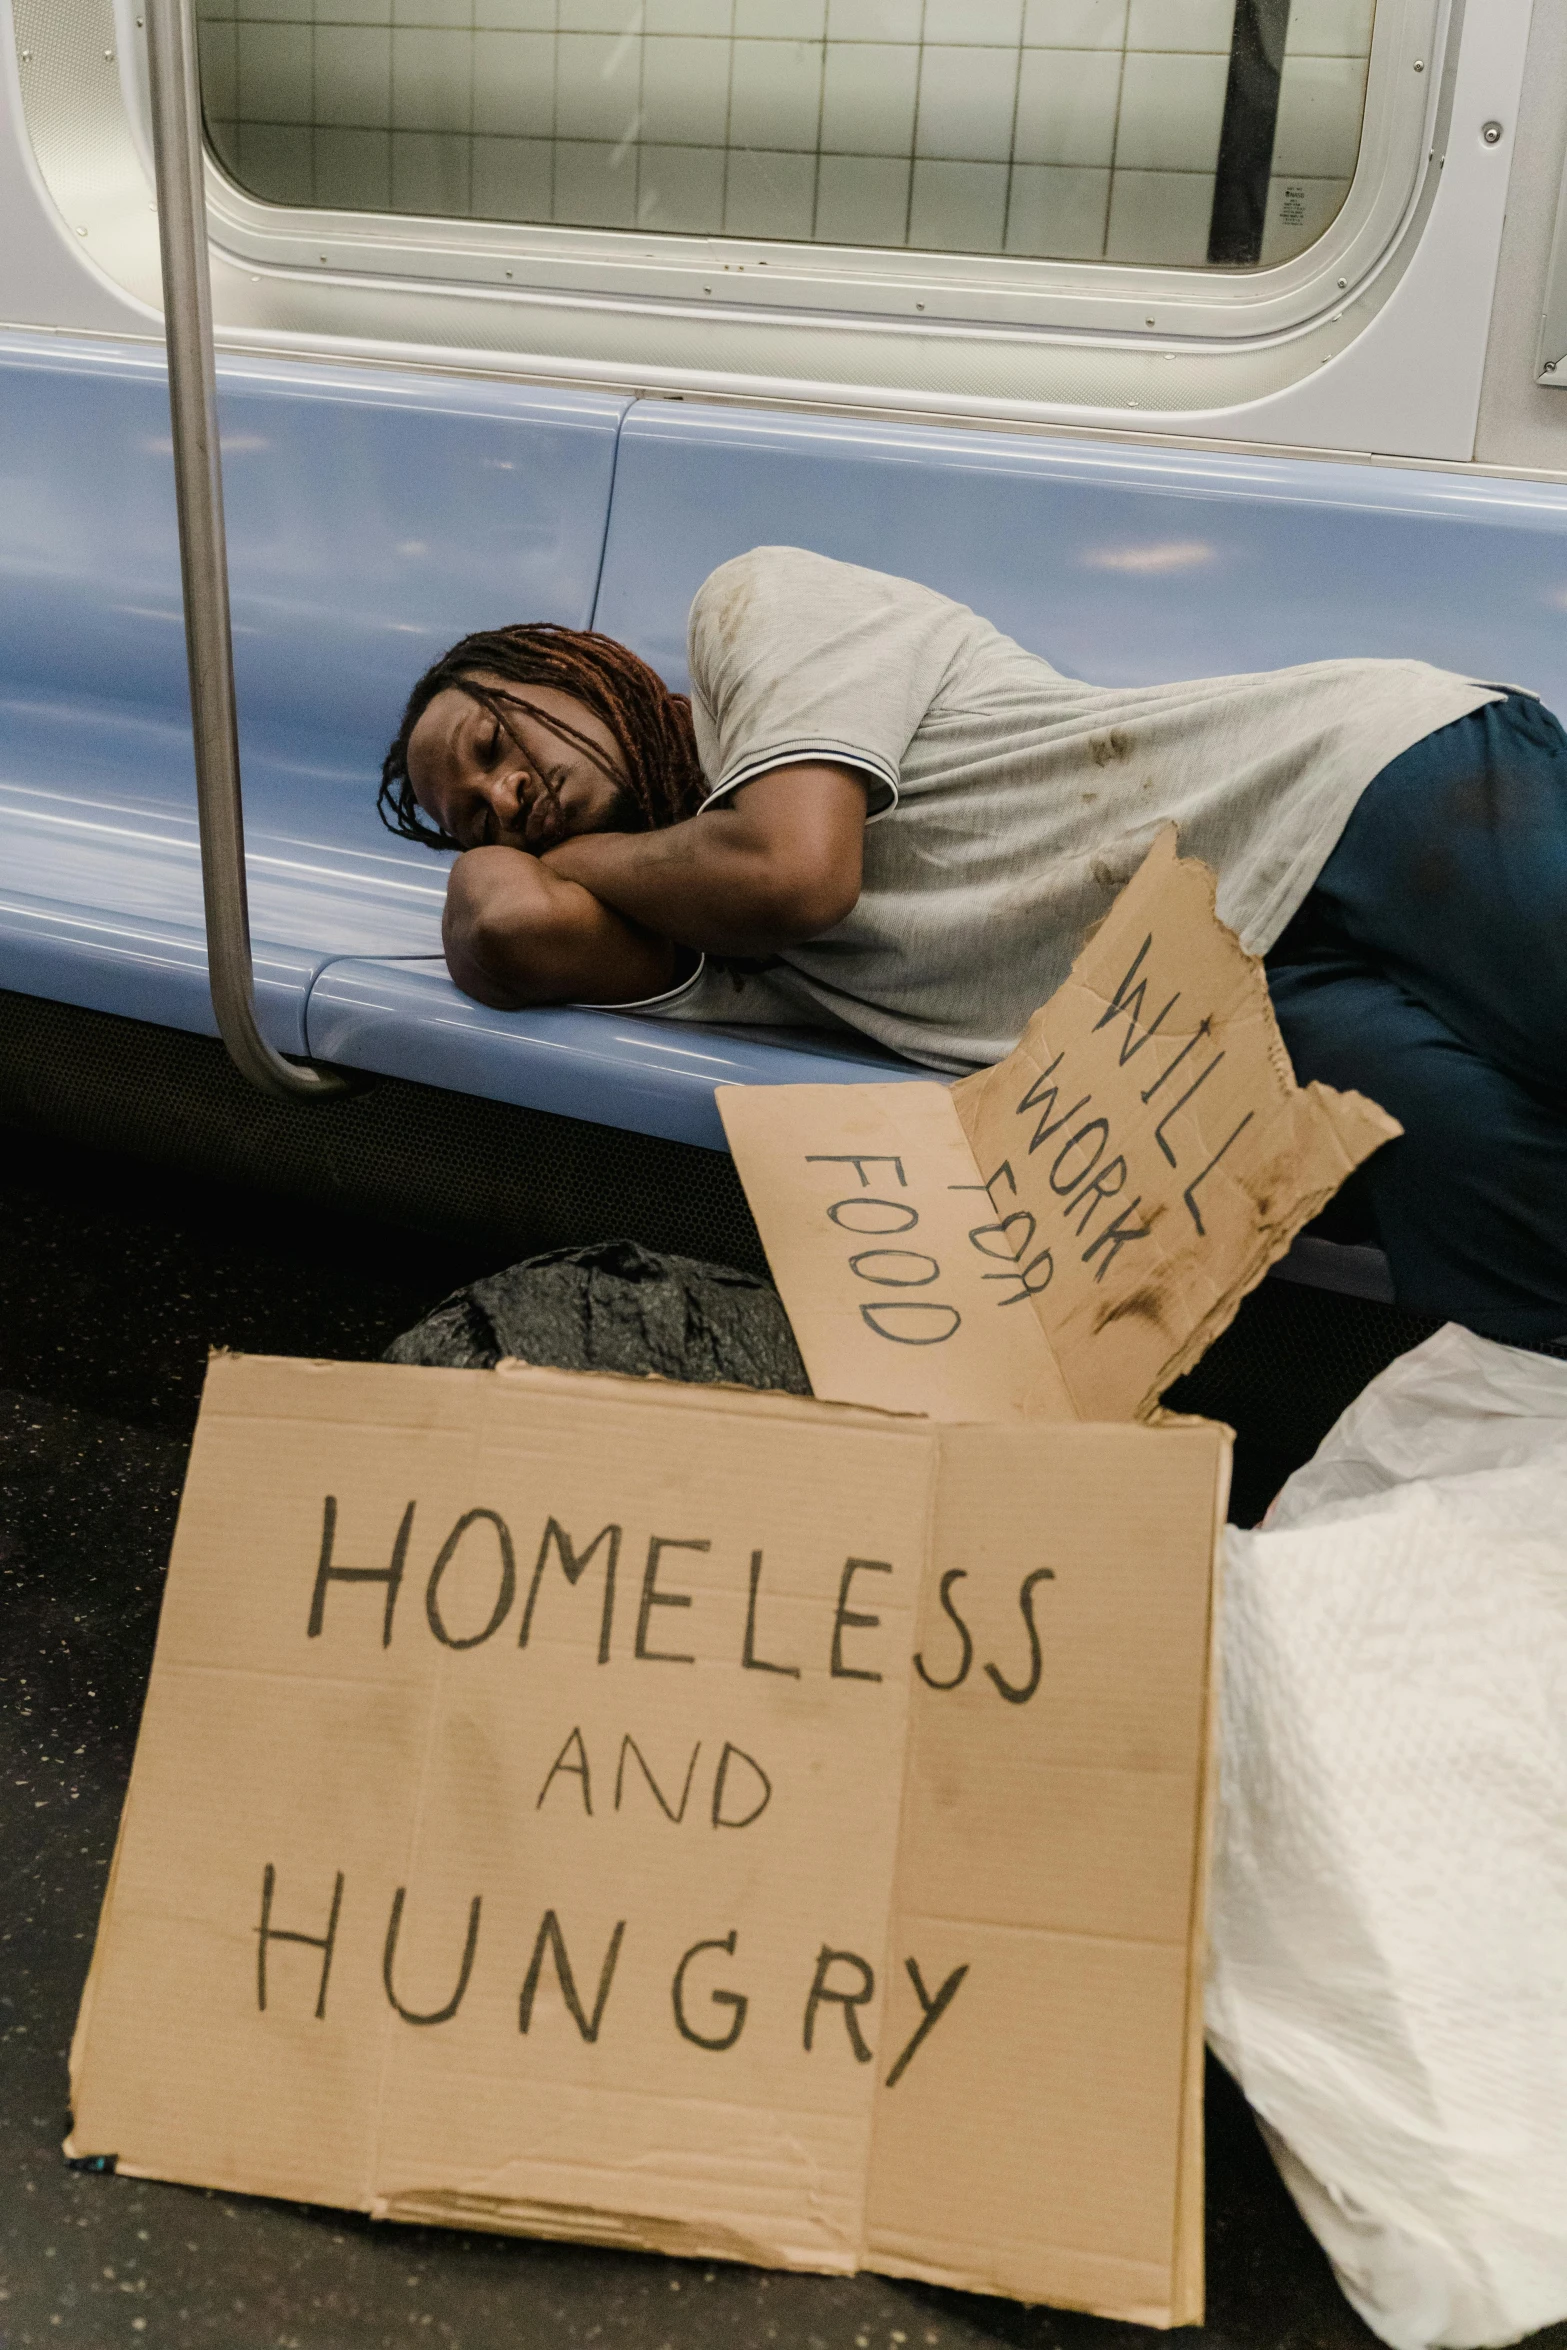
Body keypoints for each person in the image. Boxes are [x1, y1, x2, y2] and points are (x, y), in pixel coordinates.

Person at [379, 545, 1567, 1349]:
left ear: (570, 664)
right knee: (1502, 1261)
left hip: (1342, 790)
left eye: (494, 741)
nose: (508, 795)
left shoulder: (755, 612)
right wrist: (534, 870)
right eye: (474, 814)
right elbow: (503, 923)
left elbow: (799, 873)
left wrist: (573, 858)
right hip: (1236, 1001)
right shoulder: (688, 910)